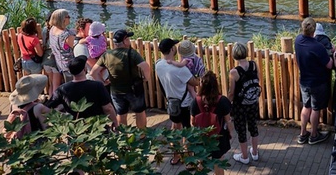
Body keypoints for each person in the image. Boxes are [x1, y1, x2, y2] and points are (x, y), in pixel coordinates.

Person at [90, 28, 150, 128]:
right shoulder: (132, 53)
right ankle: (142, 135)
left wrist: (102, 82)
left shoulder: (107, 55)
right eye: (128, 39)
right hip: (134, 89)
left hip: (116, 90)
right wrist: (146, 78)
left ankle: (123, 136)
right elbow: (145, 66)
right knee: (139, 112)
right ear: (125, 41)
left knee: (121, 114)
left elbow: (93, 73)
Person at [156, 38, 200, 166]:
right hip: (185, 104)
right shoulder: (181, 70)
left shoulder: (159, 65)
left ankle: (176, 156)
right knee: (187, 132)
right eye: (174, 46)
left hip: (172, 104)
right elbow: (195, 82)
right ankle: (190, 159)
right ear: (171, 49)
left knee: (174, 128)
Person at [47, 55, 118, 128]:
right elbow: (107, 108)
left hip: (75, 128)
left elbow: (48, 107)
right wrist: (115, 122)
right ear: (85, 69)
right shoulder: (97, 86)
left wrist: (63, 117)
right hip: (97, 126)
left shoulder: (62, 89)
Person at [295, 17, 333, 145]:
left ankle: (302, 134)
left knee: (306, 107)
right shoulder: (318, 46)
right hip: (317, 82)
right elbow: (329, 65)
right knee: (315, 109)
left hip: (304, 81)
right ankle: (314, 135)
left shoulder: (298, 40)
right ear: (314, 31)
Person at [191, 71, 237, 175]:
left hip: (201, 136)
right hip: (218, 137)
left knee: (201, 160)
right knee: (218, 161)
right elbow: (228, 120)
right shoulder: (223, 101)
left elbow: (192, 121)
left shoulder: (196, 101)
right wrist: (230, 131)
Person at [228, 42, 261, 165]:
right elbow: (257, 80)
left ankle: (244, 156)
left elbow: (232, 92)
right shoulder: (253, 65)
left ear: (234, 56)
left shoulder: (234, 72)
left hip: (240, 105)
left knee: (241, 129)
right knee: (253, 126)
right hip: (253, 101)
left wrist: (227, 104)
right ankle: (255, 153)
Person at [47, 9, 75, 83]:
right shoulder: (66, 35)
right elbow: (74, 46)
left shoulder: (52, 29)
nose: (69, 18)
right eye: (67, 16)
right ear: (62, 19)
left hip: (59, 63)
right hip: (69, 65)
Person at [40, 10, 61, 95]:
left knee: (52, 84)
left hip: (46, 60)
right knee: (56, 86)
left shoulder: (45, 30)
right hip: (54, 61)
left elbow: (44, 44)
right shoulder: (57, 30)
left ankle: (50, 102)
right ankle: (53, 105)